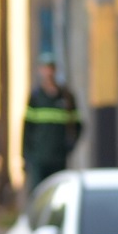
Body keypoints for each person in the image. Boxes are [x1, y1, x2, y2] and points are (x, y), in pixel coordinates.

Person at [21, 57, 82, 198]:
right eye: (45, 69)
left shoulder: (66, 97)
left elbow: (78, 125)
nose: (48, 72)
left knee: (58, 196)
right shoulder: (36, 97)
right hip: (39, 158)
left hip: (58, 159)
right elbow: (27, 129)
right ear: (40, 71)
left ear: (55, 71)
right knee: (38, 196)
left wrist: (68, 147)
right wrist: (26, 156)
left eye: (51, 68)